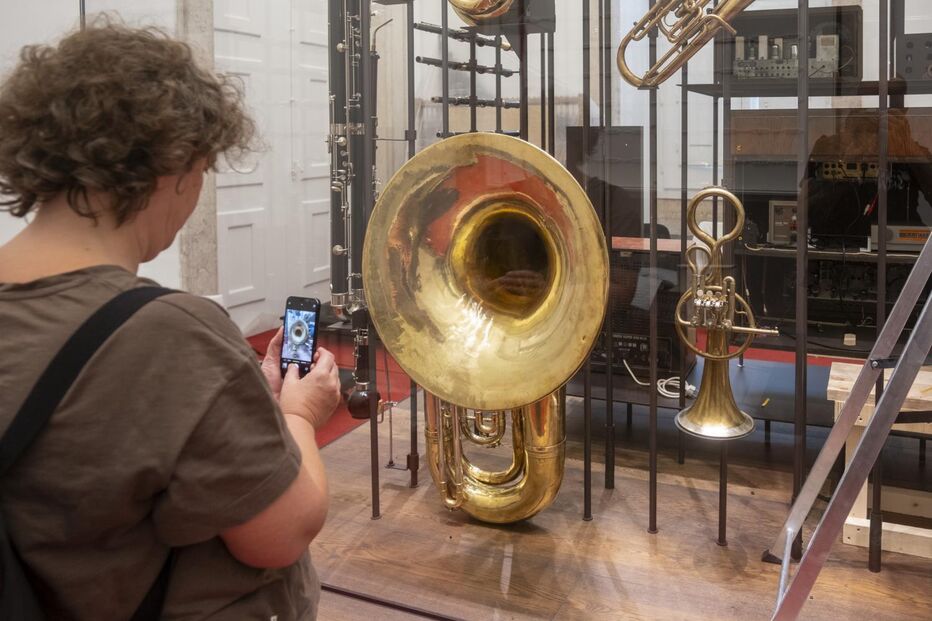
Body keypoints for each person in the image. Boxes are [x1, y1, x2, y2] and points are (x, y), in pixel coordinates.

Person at [0, 22, 340, 620]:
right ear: (174, 164)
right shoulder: (170, 334)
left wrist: (225, 408)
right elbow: (283, 532)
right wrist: (297, 414)